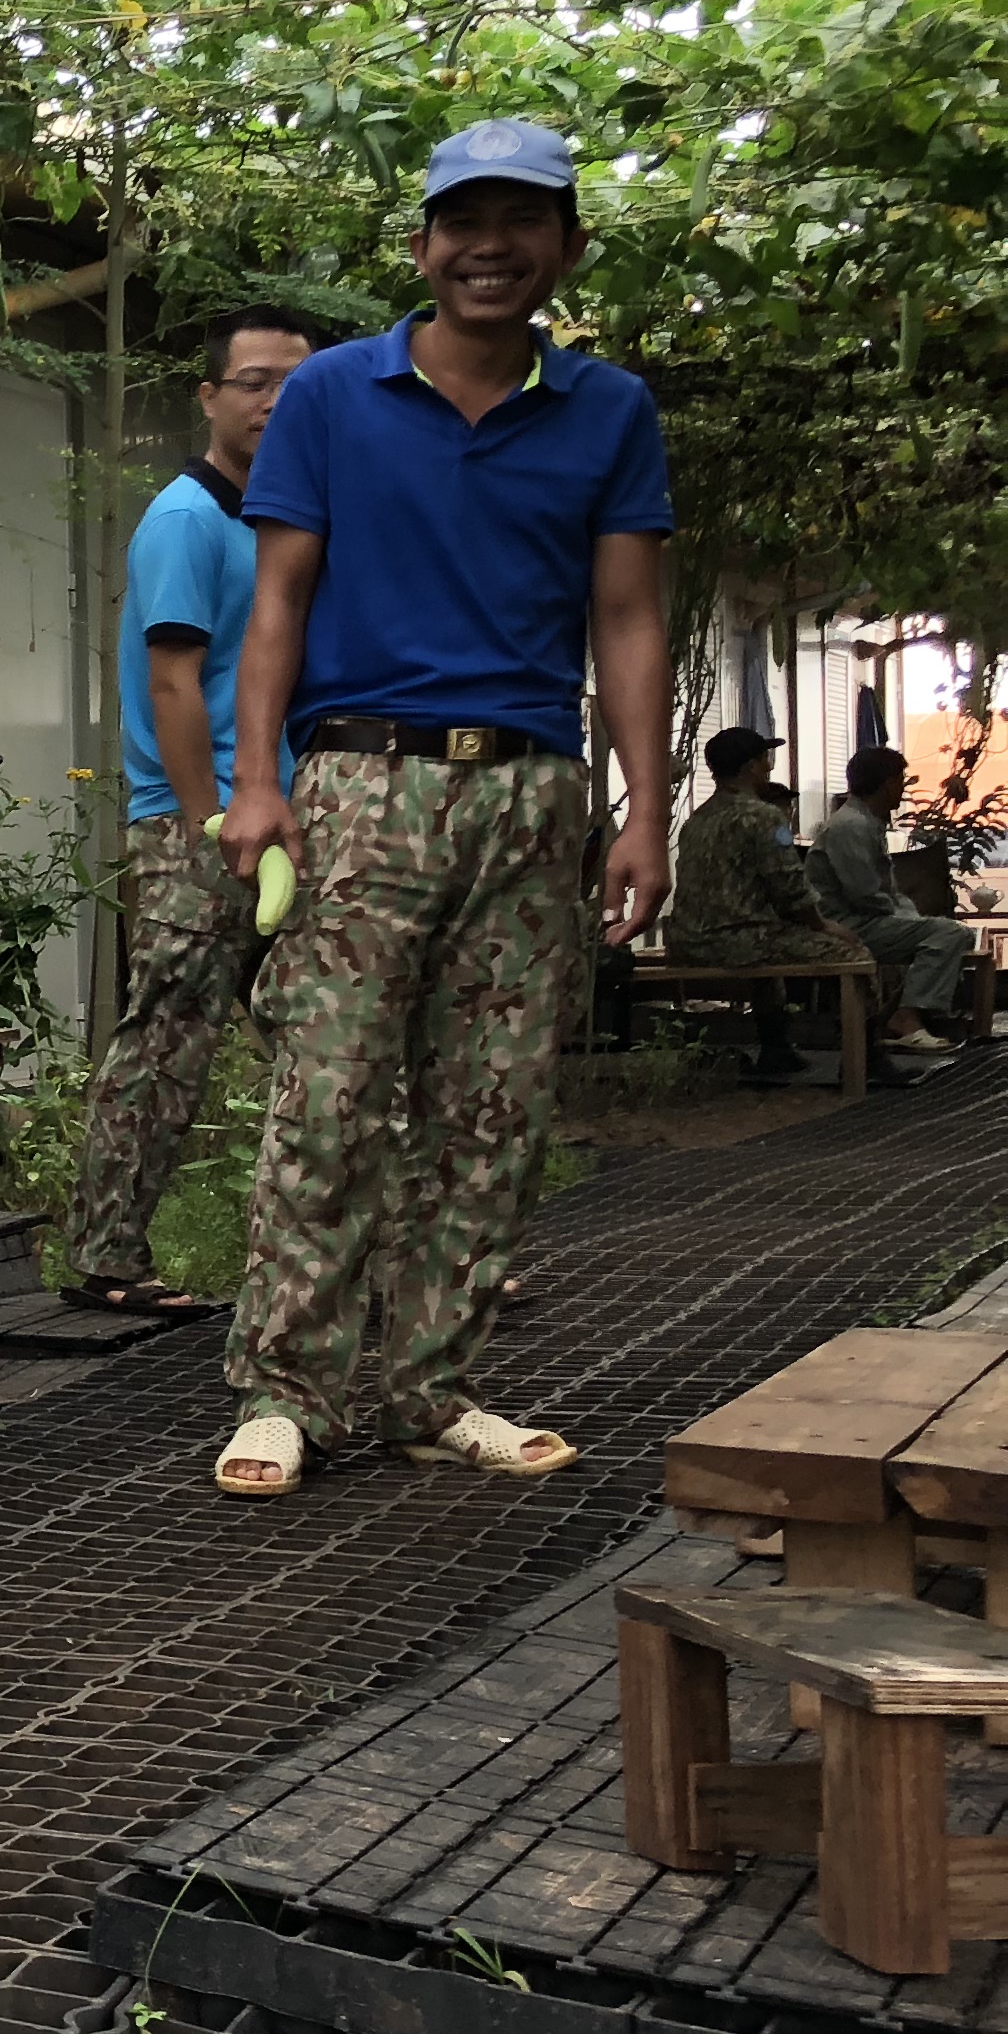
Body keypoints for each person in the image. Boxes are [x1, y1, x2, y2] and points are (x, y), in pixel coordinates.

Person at [210, 120, 674, 1499]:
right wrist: (255, 785)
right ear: (421, 248)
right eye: (462, 220)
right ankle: (284, 1391)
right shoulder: (335, 397)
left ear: (564, 250)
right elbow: (277, 601)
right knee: (331, 1092)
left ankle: (426, 1384)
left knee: (493, 1108)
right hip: (362, 782)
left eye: (522, 220)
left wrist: (647, 812)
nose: (490, 245)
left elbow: (632, 615)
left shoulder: (609, 410)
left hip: (533, 791)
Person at [62, 305, 340, 1314]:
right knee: (171, 1032)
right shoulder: (186, 518)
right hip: (204, 822)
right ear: (210, 396)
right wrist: (203, 820)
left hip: (291, 816)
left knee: (339, 1033)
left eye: (295, 386)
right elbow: (173, 682)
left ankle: (379, 1256)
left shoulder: (290, 516)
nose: (276, 402)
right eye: (256, 381)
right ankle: (105, 1260)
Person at [660, 727, 869, 1077]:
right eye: (764, 759)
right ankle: (866, 1056)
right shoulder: (766, 817)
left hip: (687, 941)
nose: (768, 767)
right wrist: (824, 927)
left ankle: (777, 1049)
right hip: (737, 942)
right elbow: (789, 886)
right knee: (854, 954)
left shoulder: (697, 820)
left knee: (770, 945)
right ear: (751, 766)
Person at [810, 745, 981, 1052]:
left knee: (951, 935)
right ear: (888, 783)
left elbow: (885, 893)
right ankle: (907, 1018)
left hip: (869, 920)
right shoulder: (850, 826)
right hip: (849, 927)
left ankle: (895, 1013)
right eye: (901, 779)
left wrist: (910, 920)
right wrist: (906, 920)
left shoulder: (865, 824)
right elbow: (865, 895)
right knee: (950, 934)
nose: (903, 786)